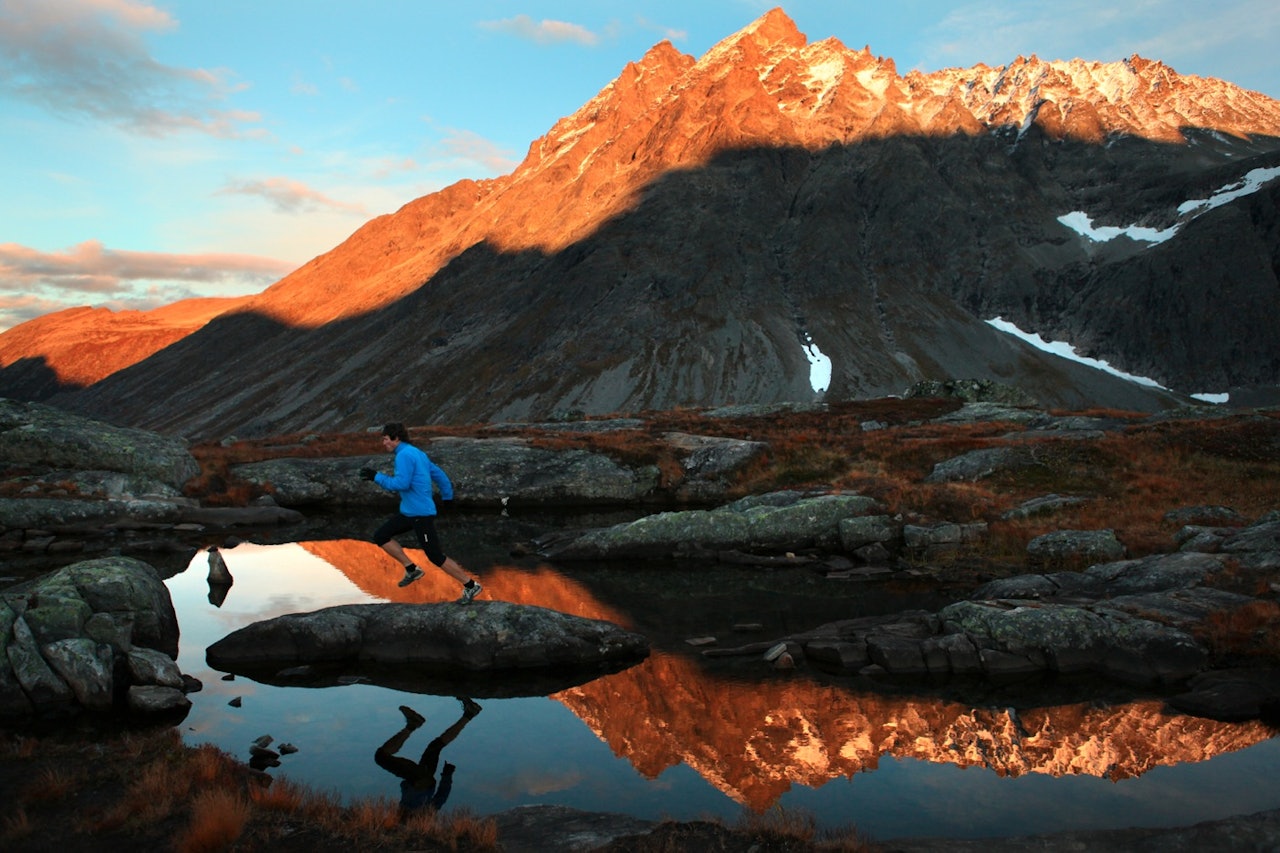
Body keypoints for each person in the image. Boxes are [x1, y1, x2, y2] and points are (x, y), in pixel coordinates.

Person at [360, 422, 483, 603]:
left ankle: (471, 585)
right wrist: (447, 497)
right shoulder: (417, 453)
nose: (383, 443)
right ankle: (412, 569)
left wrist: (376, 477)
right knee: (381, 535)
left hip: (420, 514)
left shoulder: (404, 455)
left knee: (435, 555)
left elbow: (401, 484)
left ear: (396, 438)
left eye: (385, 439)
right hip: (410, 513)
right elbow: (439, 474)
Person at [375, 698, 482, 817]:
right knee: (381, 757)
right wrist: (447, 776)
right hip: (418, 781)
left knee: (435, 746)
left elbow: (441, 797)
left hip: (424, 780)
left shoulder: (424, 815)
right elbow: (441, 797)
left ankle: (469, 714)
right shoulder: (415, 819)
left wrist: (447, 775)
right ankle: (412, 725)